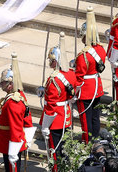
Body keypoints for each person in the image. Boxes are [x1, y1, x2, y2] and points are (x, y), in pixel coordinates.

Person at [39, 35, 76, 172]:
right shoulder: (70, 74)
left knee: (54, 151)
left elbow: (51, 106)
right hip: (66, 116)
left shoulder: (53, 80)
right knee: (65, 149)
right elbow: (73, 94)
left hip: (55, 120)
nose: (50, 62)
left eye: (51, 60)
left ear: (56, 61)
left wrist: (45, 126)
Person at [0, 53, 34, 172]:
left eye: (4, 82)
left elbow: (16, 127)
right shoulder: (18, 95)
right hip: (10, 142)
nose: (2, 84)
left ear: (10, 84)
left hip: (11, 143)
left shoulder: (13, 102)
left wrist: (13, 151)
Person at [74, 7, 106, 143]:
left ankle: (87, 143)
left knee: (86, 121)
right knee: (95, 117)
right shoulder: (101, 49)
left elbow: (79, 77)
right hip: (97, 87)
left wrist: (74, 93)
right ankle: (96, 140)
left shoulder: (83, 55)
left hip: (86, 90)